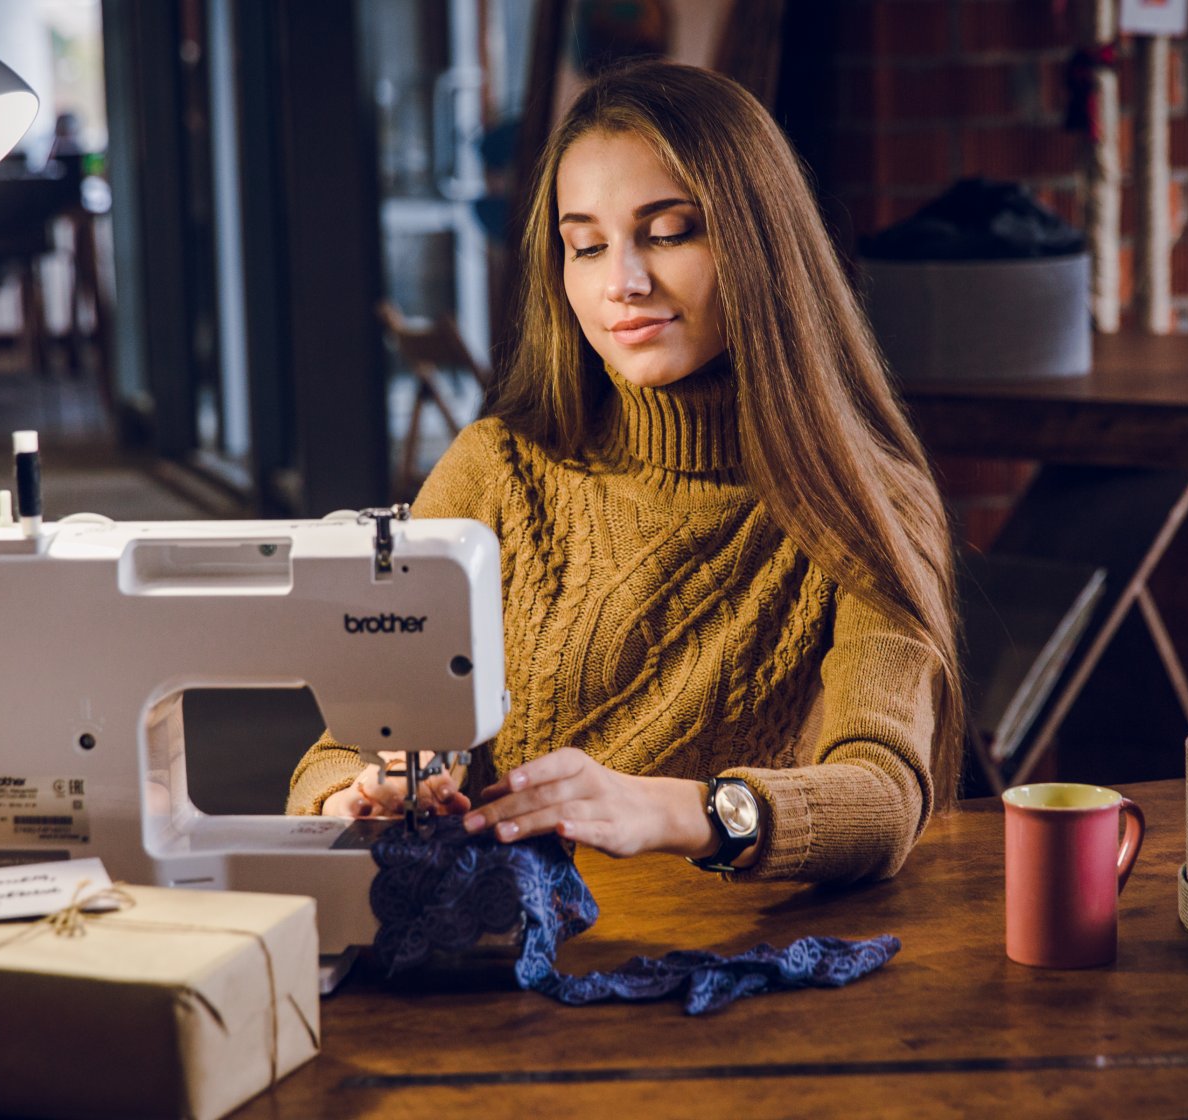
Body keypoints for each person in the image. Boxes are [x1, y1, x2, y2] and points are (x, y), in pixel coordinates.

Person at [288, 60, 962, 884]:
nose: (623, 283)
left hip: (723, 964)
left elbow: (885, 795)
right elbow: (341, 747)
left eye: (670, 231)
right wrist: (354, 797)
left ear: (759, 241)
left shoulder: (866, 502)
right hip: (508, 963)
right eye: (586, 245)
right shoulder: (496, 471)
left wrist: (681, 812)